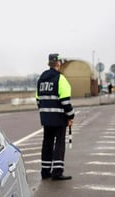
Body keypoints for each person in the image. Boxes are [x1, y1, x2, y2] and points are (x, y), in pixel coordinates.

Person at [36, 53, 75, 181]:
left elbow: (38, 100)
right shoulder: (60, 79)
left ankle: (45, 171)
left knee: (47, 143)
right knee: (59, 143)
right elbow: (65, 102)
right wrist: (71, 116)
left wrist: (45, 113)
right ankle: (57, 172)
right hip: (59, 118)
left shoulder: (41, 78)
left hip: (46, 119)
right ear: (58, 63)